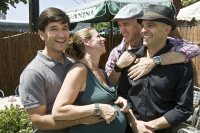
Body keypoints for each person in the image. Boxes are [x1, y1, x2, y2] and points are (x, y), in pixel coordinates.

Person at [18, 7, 103, 133]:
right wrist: (81, 119)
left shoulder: (74, 64)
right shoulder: (33, 73)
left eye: (65, 28)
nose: (62, 35)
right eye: (54, 29)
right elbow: (38, 120)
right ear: (42, 35)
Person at [126, 4, 194, 133]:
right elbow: (123, 97)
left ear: (167, 29)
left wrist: (149, 126)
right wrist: (134, 123)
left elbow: (183, 108)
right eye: (143, 26)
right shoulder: (131, 59)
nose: (143, 31)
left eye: (150, 25)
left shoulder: (182, 64)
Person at [52, 27, 129, 133]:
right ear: (86, 42)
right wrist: (97, 108)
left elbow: (104, 99)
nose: (104, 39)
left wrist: (118, 101)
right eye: (98, 36)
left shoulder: (101, 72)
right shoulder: (79, 70)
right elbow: (58, 111)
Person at [105, 3, 200, 86]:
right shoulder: (116, 52)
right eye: (119, 25)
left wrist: (154, 61)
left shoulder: (159, 42)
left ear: (140, 24)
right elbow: (108, 85)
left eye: (125, 24)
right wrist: (118, 67)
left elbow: (194, 49)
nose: (121, 30)